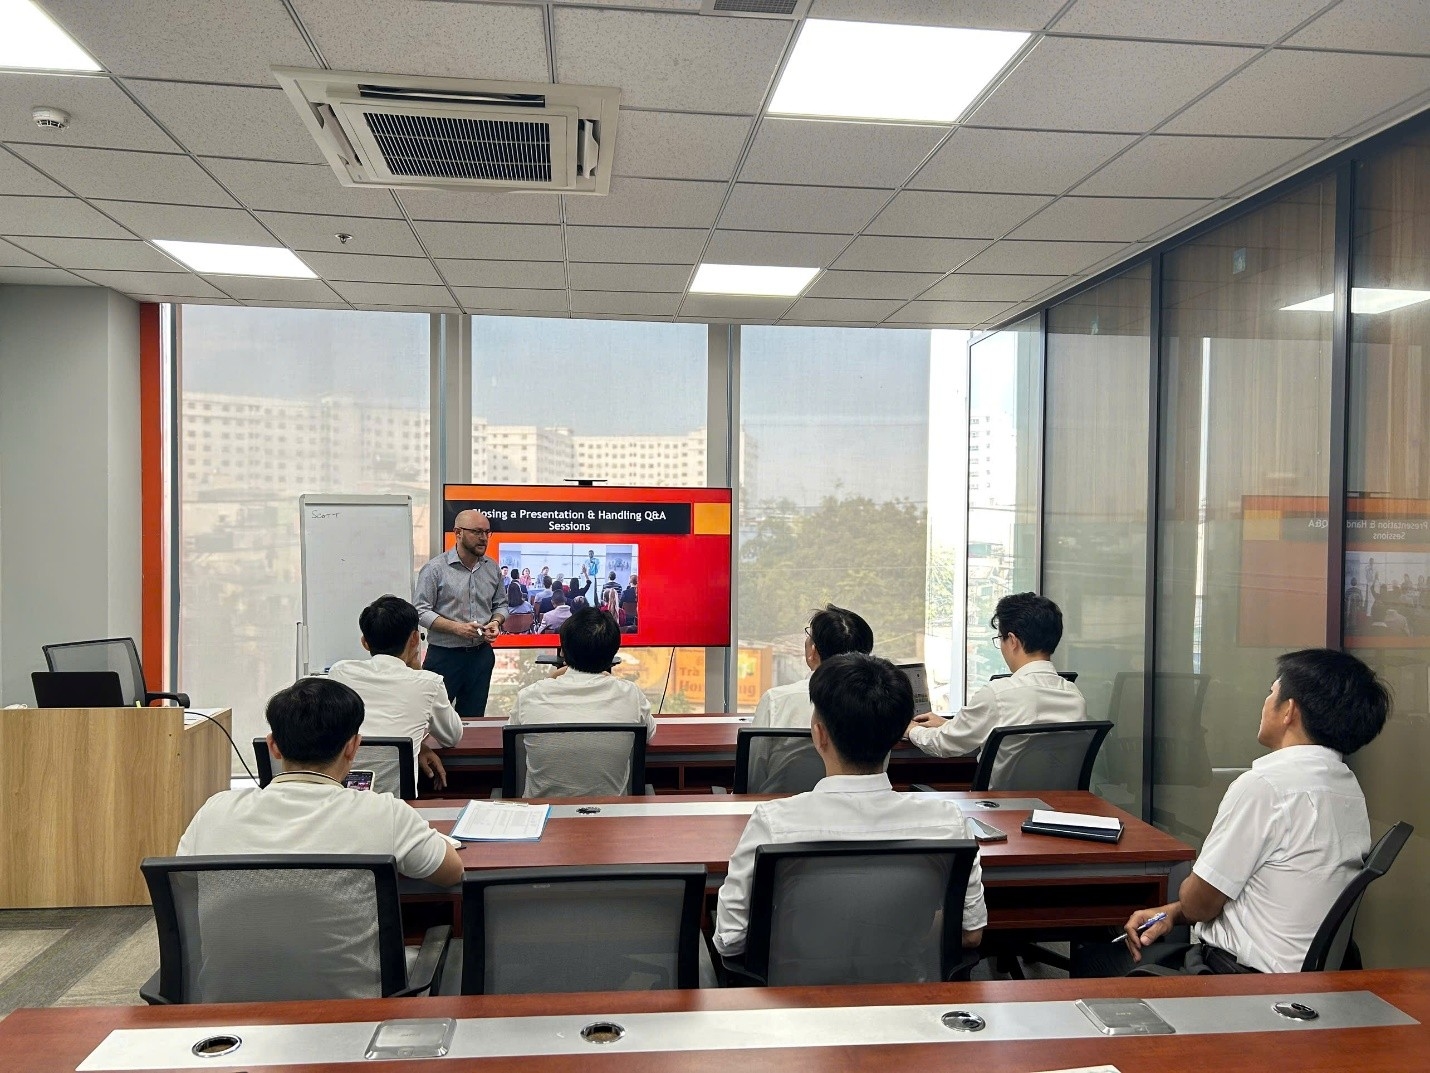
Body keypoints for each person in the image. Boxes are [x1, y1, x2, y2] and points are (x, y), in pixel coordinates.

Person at [1075, 648, 1390, 977]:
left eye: (1271, 692)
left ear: (1289, 710)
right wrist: (1172, 913)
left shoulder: (1266, 787)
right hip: (1307, 980)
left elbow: (1199, 904)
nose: (1265, 702)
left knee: (1092, 960)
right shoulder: (1347, 788)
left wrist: (1184, 904)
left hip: (1240, 980)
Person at [713, 652, 987, 959]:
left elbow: (730, 940)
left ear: (819, 735)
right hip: (906, 983)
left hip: (796, 986)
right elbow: (970, 934)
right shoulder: (948, 822)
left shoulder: (774, 823)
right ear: (897, 735)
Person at [178, 678, 463, 882]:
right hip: (354, 956)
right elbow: (451, 873)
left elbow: (184, 887)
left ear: (273, 747)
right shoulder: (386, 814)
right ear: (353, 747)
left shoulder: (213, 812)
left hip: (232, 954)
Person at [906, 592, 1085, 783]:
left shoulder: (999, 694)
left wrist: (911, 730)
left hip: (1000, 801)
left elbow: (944, 744)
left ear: (1013, 641)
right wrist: (948, 725)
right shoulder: (1074, 696)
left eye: (1000, 638)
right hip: (1058, 801)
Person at [508, 608, 655, 797]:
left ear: (563, 651)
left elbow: (516, 743)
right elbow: (649, 735)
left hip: (545, 813)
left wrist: (550, 679)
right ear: (612, 654)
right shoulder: (631, 695)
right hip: (611, 813)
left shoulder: (530, 696)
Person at [326, 595, 463, 788]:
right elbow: (451, 737)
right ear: (415, 639)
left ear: (365, 642)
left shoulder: (339, 672)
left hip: (343, 795)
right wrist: (418, 671)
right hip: (398, 802)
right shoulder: (429, 683)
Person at [413, 510, 508, 718]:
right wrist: (457, 628)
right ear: (458, 533)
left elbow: (501, 605)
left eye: (487, 532)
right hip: (444, 656)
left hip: (481, 656)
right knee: (433, 718)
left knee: (473, 718)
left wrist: (496, 622)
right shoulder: (435, 569)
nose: (483, 538)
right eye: (477, 532)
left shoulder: (492, 568)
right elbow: (420, 611)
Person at [751, 604, 873, 729]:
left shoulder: (776, 701)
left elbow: (755, 742)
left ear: (813, 651)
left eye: (809, 635)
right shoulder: (878, 703)